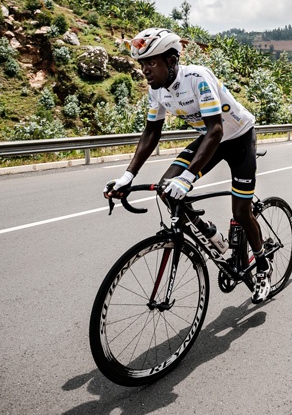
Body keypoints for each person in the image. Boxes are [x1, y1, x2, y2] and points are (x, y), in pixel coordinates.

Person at [102, 28, 274, 304]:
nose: (145, 70)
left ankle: (263, 266)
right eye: (141, 64)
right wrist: (127, 175)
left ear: (171, 61)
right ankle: (210, 234)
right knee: (166, 189)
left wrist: (188, 177)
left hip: (237, 137)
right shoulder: (156, 90)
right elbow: (151, 133)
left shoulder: (197, 78)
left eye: (151, 62)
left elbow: (216, 129)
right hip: (210, 139)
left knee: (241, 211)